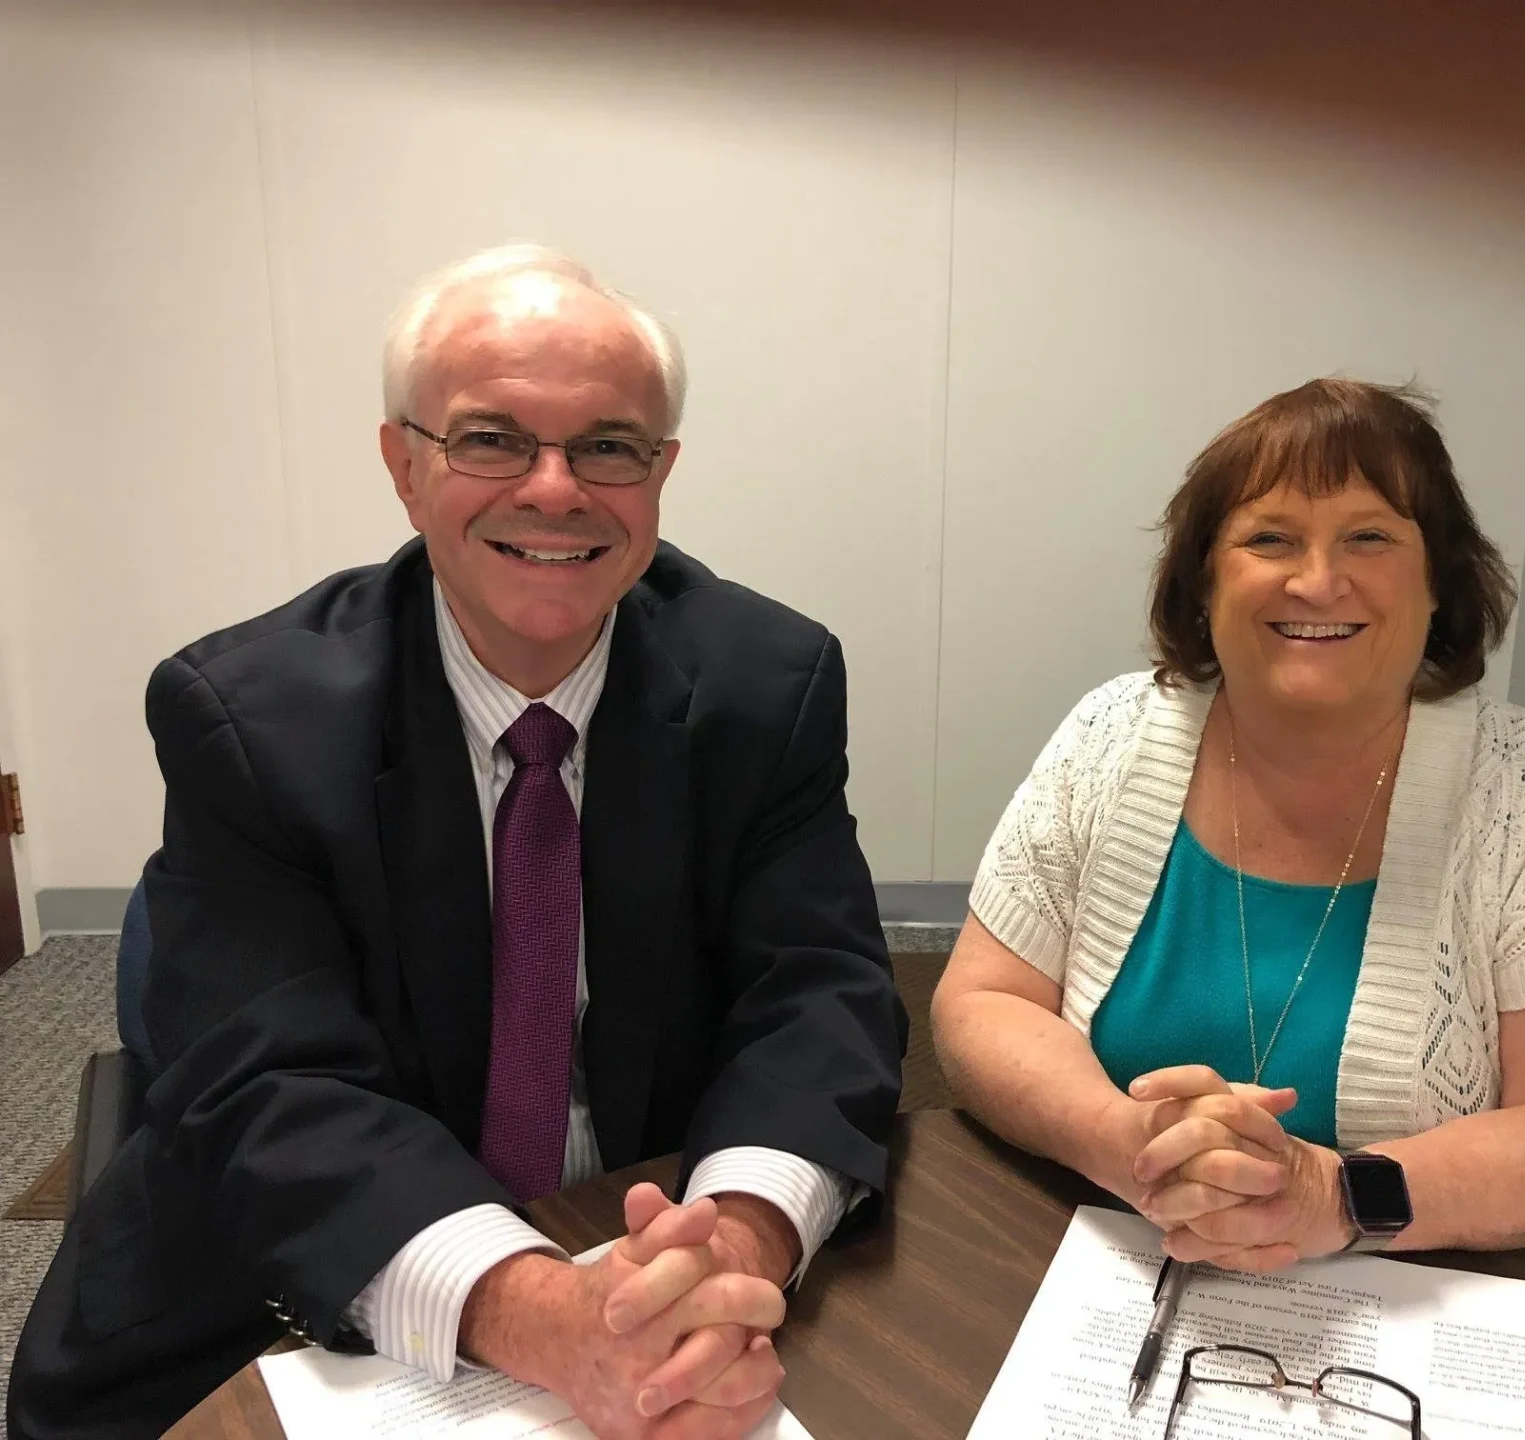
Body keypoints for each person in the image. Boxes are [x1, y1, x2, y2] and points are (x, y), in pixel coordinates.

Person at [10, 245, 906, 1440]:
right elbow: (268, 1083)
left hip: (640, 1240)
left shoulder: (770, 683)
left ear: (661, 472)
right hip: (302, 1295)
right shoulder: (249, 718)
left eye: (608, 445)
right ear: (403, 464)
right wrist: (538, 1314)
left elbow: (820, 995)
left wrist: (732, 1250)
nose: (554, 489)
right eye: (490, 439)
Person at [932, 379, 1525, 1273]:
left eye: (1369, 537)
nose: (1319, 581)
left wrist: (1336, 1195)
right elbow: (982, 1002)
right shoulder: (1109, 737)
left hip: (1416, 1318)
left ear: (1438, 581)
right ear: (1204, 580)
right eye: (1269, 539)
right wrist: (1129, 1143)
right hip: (1115, 1275)